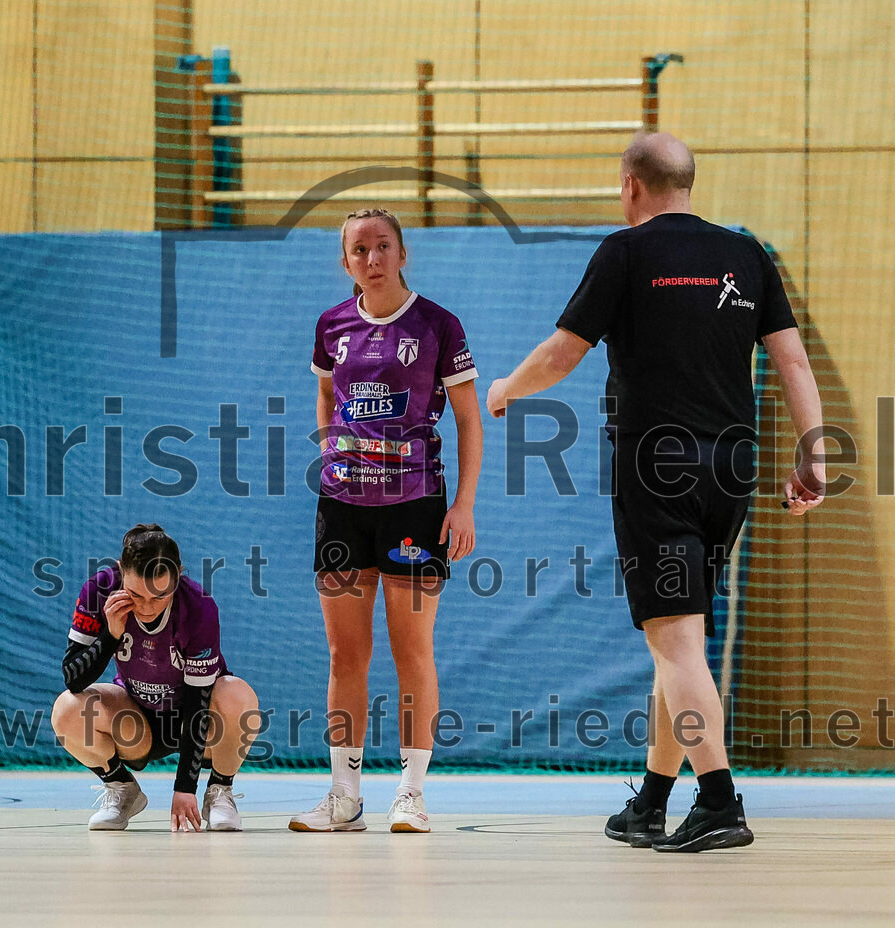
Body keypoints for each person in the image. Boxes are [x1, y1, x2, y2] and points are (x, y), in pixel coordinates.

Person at [486, 133, 826, 852]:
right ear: (688, 184)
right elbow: (790, 358)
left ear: (630, 186)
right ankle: (651, 803)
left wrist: (507, 389)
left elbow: (564, 351)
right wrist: (814, 454)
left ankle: (721, 801)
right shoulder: (745, 255)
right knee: (683, 643)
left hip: (658, 467)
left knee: (674, 644)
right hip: (732, 466)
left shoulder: (626, 252)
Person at [289, 207, 483, 834]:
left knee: (412, 653)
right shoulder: (332, 326)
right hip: (343, 509)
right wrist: (328, 443)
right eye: (358, 250)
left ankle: (411, 794)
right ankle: (344, 797)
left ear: (403, 255)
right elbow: (326, 392)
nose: (371, 260)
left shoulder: (437, 325)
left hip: (415, 506)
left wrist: (463, 505)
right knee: (346, 656)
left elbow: (469, 421)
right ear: (345, 261)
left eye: (382, 247)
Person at [51, 523, 260, 832]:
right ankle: (123, 788)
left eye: (159, 596)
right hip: (136, 721)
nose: (147, 607)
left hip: (199, 724)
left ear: (178, 575)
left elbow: (198, 701)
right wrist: (110, 636)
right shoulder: (99, 590)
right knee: (68, 709)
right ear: (122, 571)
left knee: (237, 695)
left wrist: (184, 788)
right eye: (136, 595)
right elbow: (73, 678)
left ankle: (220, 790)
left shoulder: (198, 608)